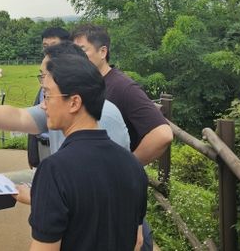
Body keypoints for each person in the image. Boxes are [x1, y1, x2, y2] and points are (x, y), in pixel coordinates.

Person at [0, 41, 130, 204]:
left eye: (45, 76)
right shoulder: (59, 111)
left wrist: (39, 198)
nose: (42, 86)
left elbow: (99, 193)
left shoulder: (105, 117)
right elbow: (19, 117)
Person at [29, 51, 147, 250]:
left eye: (47, 95)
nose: (43, 105)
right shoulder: (133, 165)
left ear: (74, 102)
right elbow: (138, 240)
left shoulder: (54, 170)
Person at [72, 24, 173, 251]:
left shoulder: (122, 87)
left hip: (120, 197)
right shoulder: (87, 87)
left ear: (103, 51)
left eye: (82, 50)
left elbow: (162, 134)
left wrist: (127, 165)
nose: (76, 57)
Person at [27, 27, 70, 168]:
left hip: (62, 149)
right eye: (45, 46)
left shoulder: (73, 85)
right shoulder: (45, 85)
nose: (48, 50)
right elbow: (33, 118)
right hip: (43, 146)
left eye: (53, 45)